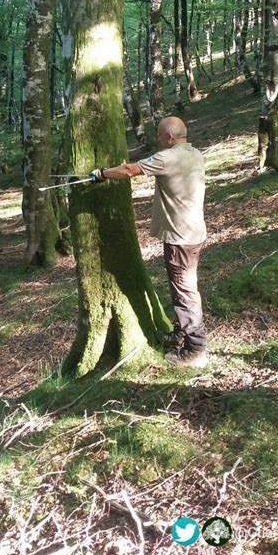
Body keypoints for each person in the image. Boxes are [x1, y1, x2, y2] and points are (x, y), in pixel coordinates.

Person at [91, 116, 207, 368]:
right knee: (186, 287)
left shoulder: (168, 157)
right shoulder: (195, 153)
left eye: (159, 134)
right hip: (194, 233)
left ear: (170, 137)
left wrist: (100, 174)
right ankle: (181, 334)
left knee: (184, 292)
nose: (157, 139)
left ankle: (195, 349)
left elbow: (128, 170)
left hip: (180, 238)